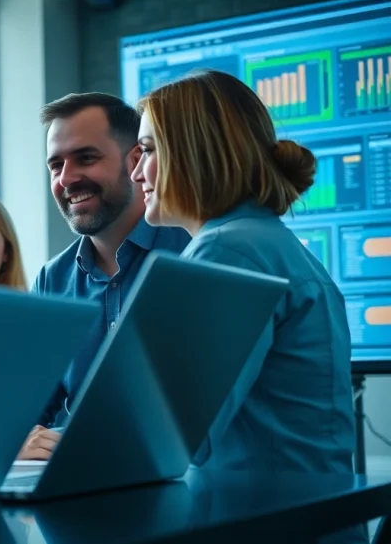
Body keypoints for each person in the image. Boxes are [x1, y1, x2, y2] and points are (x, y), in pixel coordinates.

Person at [130, 69, 354, 473]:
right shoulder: (270, 244)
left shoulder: (226, 250)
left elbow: (172, 437)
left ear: (194, 151)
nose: (136, 173)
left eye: (147, 150)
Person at [21, 93, 191, 461]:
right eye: (55, 165)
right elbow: (27, 412)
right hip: (82, 487)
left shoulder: (194, 253)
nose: (66, 178)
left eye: (86, 158)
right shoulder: (53, 280)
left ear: (135, 161)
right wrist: (20, 439)